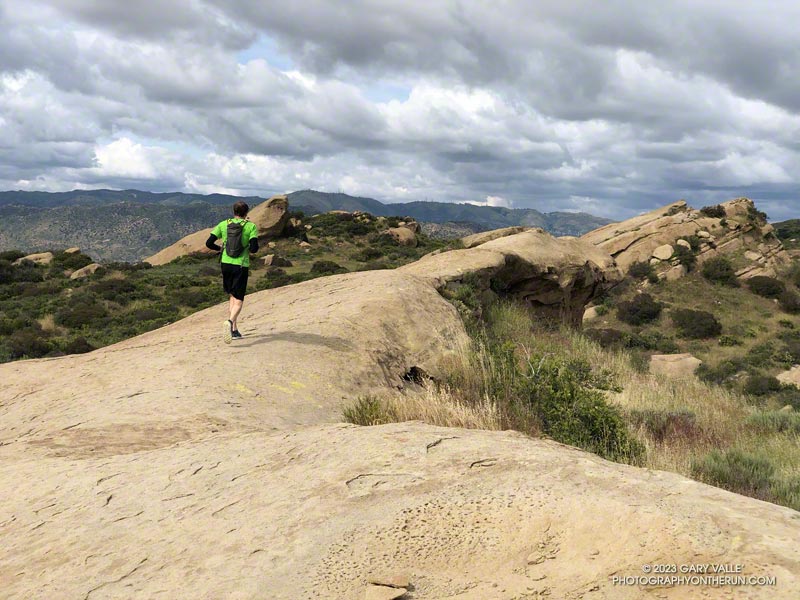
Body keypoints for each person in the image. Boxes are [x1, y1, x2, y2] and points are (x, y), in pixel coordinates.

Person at [206, 201, 259, 343]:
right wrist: (247, 246)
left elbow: (208, 243)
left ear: (233, 211)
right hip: (240, 265)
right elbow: (254, 249)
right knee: (239, 299)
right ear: (246, 212)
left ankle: (234, 329)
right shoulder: (250, 226)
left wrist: (220, 249)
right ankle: (229, 322)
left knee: (232, 295)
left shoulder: (224, 224)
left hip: (225, 264)